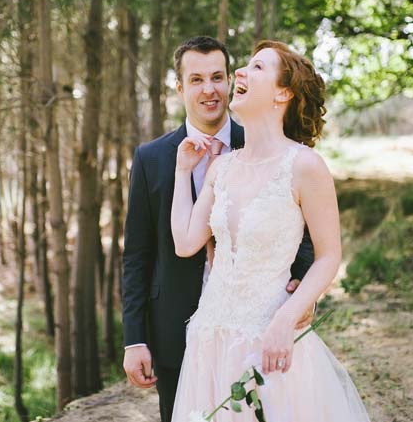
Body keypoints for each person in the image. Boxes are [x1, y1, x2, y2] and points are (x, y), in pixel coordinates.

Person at [170, 40, 371, 421]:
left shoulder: (305, 166)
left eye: (257, 68)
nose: (240, 74)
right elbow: (185, 243)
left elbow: (329, 256)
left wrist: (286, 318)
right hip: (209, 340)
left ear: (284, 92)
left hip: (268, 340)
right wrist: (183, 171)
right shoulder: (221, 168)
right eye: (243, 67)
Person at [121, 36, 315, 422]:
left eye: (217, 77)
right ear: (180, 88)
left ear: (229, 80)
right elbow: (137, 255)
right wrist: (134, 339)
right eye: (196, 80)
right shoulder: (151, 157)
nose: (209, 90)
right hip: (176, 331)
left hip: (259, 326)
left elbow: (305, 234)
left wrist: (302, 293)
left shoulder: (269, 144)